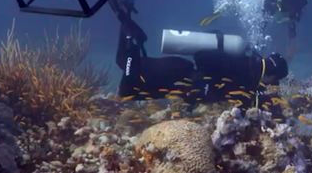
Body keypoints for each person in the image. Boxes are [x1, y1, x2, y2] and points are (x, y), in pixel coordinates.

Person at [116, 10, 289, 107]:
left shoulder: (250, 70)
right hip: (177, 75)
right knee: (126, 90)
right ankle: (132, 39)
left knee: (122, 62)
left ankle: (128, 23)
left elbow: (243, 98)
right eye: (274, 80)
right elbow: (203, 57)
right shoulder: (246, 71)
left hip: (179, 78)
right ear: (272, 74)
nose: (271, 85)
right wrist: (203, 84)